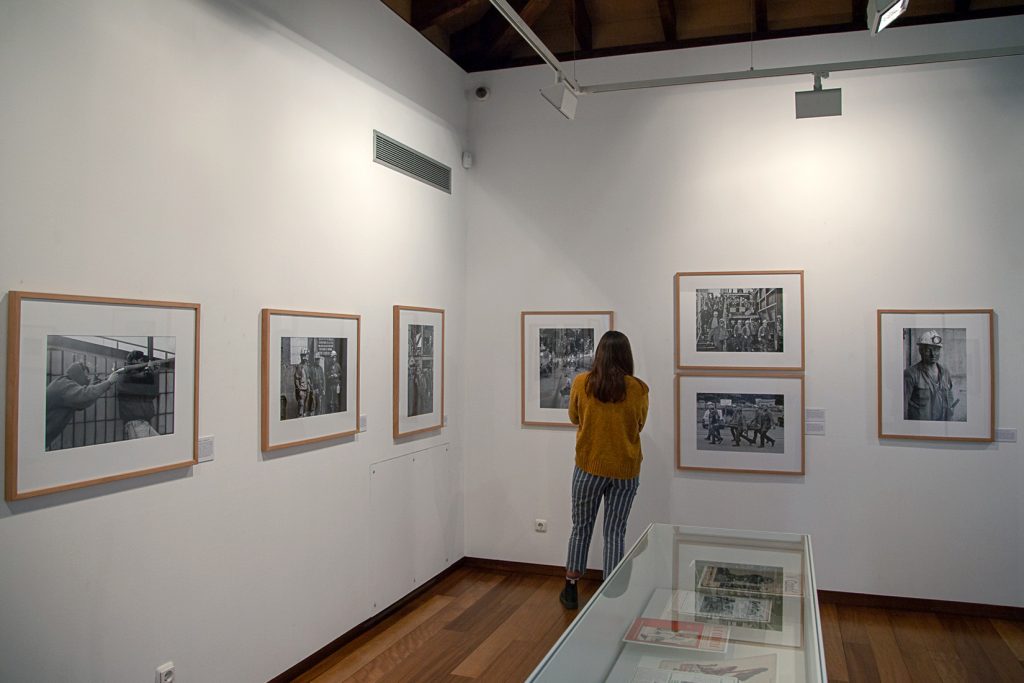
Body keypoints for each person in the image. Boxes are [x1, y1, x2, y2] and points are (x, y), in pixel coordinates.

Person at [560, 331, 648, 610]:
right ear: (626, 355)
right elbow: (640, 424)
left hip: (588, 466)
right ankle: (611, 592)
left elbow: (574, 417)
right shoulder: (638, 389)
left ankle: (571, 587)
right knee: (615, 531)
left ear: (598, 354)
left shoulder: (582, 383)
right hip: (625, 470)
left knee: (581, 527)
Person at [45, 361, 123, 449]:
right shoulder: (64, 385)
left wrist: (100, 385)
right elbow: (85, 395)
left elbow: (83, 403)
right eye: (85, 377)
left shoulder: (62, 382)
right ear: (78, 375)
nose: (87, 380)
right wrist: (108, 382)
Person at [904, 330, 956, 421]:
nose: (933, 354)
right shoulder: (910, 374)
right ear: (921, 350)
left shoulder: (945, 373)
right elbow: (903, 406)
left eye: (936, 349)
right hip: (921, 427)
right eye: (928, 350)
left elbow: (950, 399)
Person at [117, 350, 161, 439]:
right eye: (141, 361)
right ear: (135, 361)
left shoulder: (129, 375)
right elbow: (144, 382)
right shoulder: (127, 375)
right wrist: (151, 372)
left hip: (141, 422)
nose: (143, 363)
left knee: (158, 444)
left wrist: (153, 373)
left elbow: (151, 393)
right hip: (136, 422)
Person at [294, 350, 312, 417]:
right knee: (301, 407)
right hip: (301, 390)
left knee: (306, 407)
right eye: (303, 356)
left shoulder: (307, 366)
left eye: (305, 355)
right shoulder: (299, 367)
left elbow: (308, 378)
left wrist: (309, 387)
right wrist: (299, 390)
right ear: (301, 356)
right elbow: (296, 380)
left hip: (307, 389)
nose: (304, 357)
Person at [326, 349, 343, 414]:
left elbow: (340, 374)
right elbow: (327, 374)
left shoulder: (338, 365)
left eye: (334, 357)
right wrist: (330, 376)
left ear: (335, 357)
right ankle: (331, 412)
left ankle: (337, 412)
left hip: (337, 385)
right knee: (331, 400)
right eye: (332, 358)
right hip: (331, 385)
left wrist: (337, 375)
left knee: (336, 400)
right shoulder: (328, 366)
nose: (333, 359)